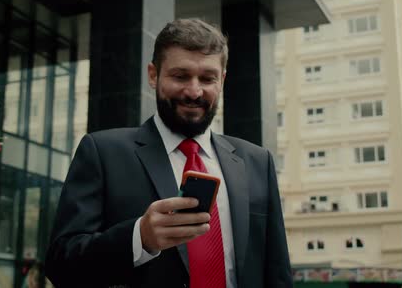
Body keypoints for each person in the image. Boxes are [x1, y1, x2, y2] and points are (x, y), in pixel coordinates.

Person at [45, 18, 292, 288]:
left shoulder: (257, 161)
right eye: (180, 76)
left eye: (207, 78)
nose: (194, 91)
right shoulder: (102, 152)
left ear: (221, 80)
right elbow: (61, 265)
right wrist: (140, 237)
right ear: (153, 75)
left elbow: (277, 271)